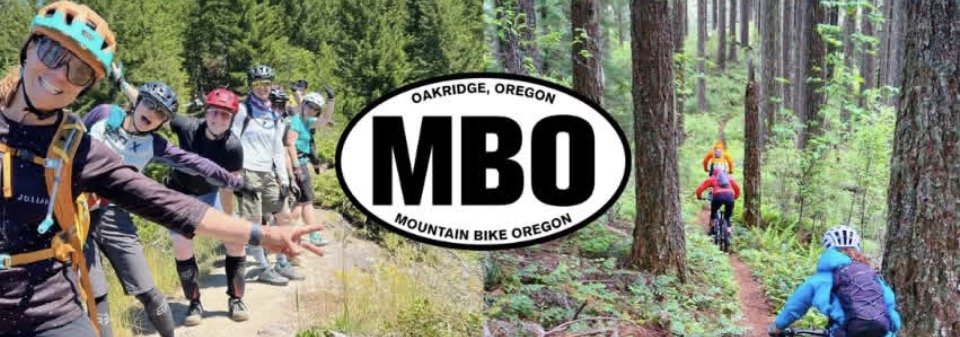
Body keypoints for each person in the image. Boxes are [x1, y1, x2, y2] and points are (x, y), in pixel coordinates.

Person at [0, 2, 323, 336]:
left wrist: (260, 229)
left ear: (85, 86)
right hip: (79, 224)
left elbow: (167, 197)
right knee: (97, 291)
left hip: (51, 303)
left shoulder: (90, 148)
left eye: (79, 72)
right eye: (51, 52)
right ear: (29, 47)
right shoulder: (103, 115)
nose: (58, 75)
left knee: (142, 288)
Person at [164, 88, 250, 324]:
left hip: (211, 195)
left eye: (225, 116)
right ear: (206, 112)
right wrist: (122, 82)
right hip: (179, 195)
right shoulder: (187, 126)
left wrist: (229, 220)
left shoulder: (233, 147)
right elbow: (155, 107)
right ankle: (194, 303)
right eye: (214, 113)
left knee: (235, 240)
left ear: (232, 119)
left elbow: (227, 187)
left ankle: (236, 298)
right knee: (182, 245)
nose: (218, 119)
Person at [232, 65, 301, 285]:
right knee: (255, 225)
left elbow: (277, 150)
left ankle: (281, 261)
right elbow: (232, 141)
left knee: (284, 217)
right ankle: (263, 267)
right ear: (250, 86)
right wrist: (235, 174)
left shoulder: (274, 115)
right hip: (247, 171)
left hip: (268, 173)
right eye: (257, 84)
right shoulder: (242, 111)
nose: (262, 88)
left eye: (266, 84)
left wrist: (284, 179)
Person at [768, 226, 901, 337]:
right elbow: (893, 317)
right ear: (856, 249)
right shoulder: (872, 277)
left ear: (828, 249)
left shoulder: (820, 279)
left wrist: (777, 327)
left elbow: (795, 306)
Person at [695, 167, 740, 236]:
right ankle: (729, 232)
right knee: (727, 217)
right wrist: (735, 197)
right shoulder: (728, 177)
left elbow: (701, 188)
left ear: (713, 172)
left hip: (718, 196)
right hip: (730, 196)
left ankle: (712, 229)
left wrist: (699, 196)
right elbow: (737, 188)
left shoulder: (712, 178)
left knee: (714, 212)